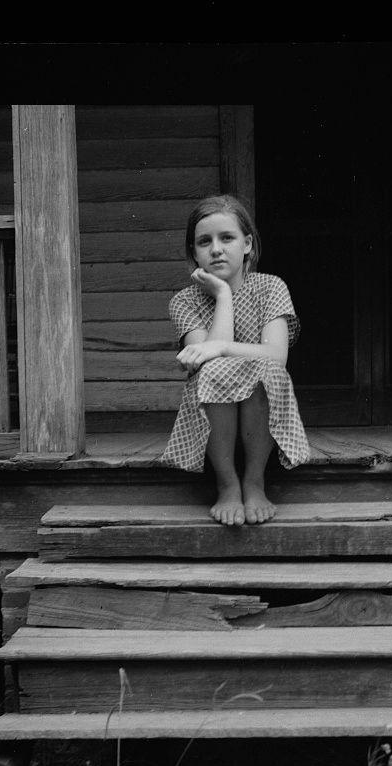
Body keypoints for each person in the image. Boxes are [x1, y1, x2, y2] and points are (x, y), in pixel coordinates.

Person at [160, 194, 310, 526]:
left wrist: (221, 347)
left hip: (262, 411)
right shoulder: (184, 301)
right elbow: (205, 363)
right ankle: (227, 484)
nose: (216, 249)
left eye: (226, 238)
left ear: (247, 245)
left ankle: (254, 481)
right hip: (213, 418)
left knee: (267, 370)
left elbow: (277, 355)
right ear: (193, 253)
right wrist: (223, 296)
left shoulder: (270, 287)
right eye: (204, 242)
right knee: (213, 370)